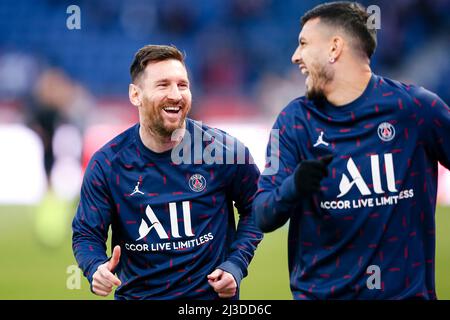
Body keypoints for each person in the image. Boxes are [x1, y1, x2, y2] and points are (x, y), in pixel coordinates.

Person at [253, 1, 450, 299]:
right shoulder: (294, 122)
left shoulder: (415, 110)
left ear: (335, 48)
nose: (295, 57)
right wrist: (294, 187)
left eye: (304, 44)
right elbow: (263, 214)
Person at [72, 45, 263, 299]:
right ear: (136, 95)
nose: (176, 95)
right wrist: (95, 266)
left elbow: (258, 207)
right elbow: (86, 232)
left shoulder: (224, 152)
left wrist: (236, 265)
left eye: (182, 85)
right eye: (163, 85)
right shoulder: (108, 164)